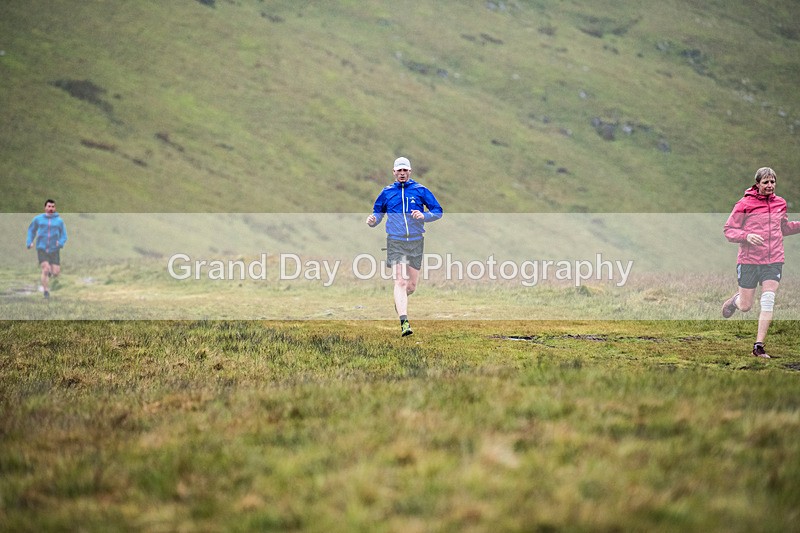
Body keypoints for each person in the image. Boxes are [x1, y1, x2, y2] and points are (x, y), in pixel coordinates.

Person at [722, 167, 800, 358]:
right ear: (757, 184)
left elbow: (783, 228)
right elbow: (729, 229)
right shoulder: (744, 204)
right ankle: (735, 301)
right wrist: (746, 235)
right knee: (746, 306)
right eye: (765, 182)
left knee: (768, 300)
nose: (770, 186)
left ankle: (758, 347)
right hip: (749, 261)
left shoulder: (780, 203)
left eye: (772, 182)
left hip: (773, 260)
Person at [366, 156, 443, 336]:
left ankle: (399, 301)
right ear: (394, 172)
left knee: (411, 287)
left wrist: (424, 216)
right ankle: (404, 322)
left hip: (416, 241)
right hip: (395, 241)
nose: (402, 173)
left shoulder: (420, 190)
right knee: (399, 281)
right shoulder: (386, 192)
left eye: (405, 170)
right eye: (399, 170)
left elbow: (438, 211)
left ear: (410, 172)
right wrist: (372, 221)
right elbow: (377, 214)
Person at [26, 199, 68, 299]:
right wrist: (29, 242)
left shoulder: (59, 221)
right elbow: (31, 230)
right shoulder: (38, 219)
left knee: (56, 273)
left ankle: (48, 275)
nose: (51, 208)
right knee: (46, 268)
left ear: (55, 208)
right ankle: (45, 292)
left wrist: (60, 242)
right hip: (42, 248)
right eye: (49, 206)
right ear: (45, 208)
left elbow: (64, 235)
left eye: (53, 207)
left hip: (54, 249)